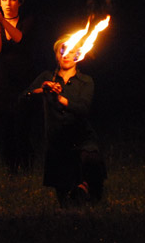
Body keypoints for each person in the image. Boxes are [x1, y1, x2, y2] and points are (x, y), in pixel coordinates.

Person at [22, 35, 106, 207]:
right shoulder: (47, 76)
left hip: (81, 138)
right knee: (66, 200)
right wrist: (43, 89)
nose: (66, 55)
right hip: (57, 141)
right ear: (56, 55)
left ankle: (87, 190)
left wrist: (59, 98)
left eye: (70, 51)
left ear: (78, 54)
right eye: (62, 51)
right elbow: (24, 98)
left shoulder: (86, 81)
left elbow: (83, 109)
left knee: (91, 164)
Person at [0, 0, 36, 174]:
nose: (8, 3)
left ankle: (28, 169)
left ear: (19, 2)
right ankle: (12, 171)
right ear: (0, 2)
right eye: (4, 0)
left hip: (24, 82)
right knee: (7, 132)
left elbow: (19, 38)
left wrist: (2, 21)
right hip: (4, 84)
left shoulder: (28, 21)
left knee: (23, 130)